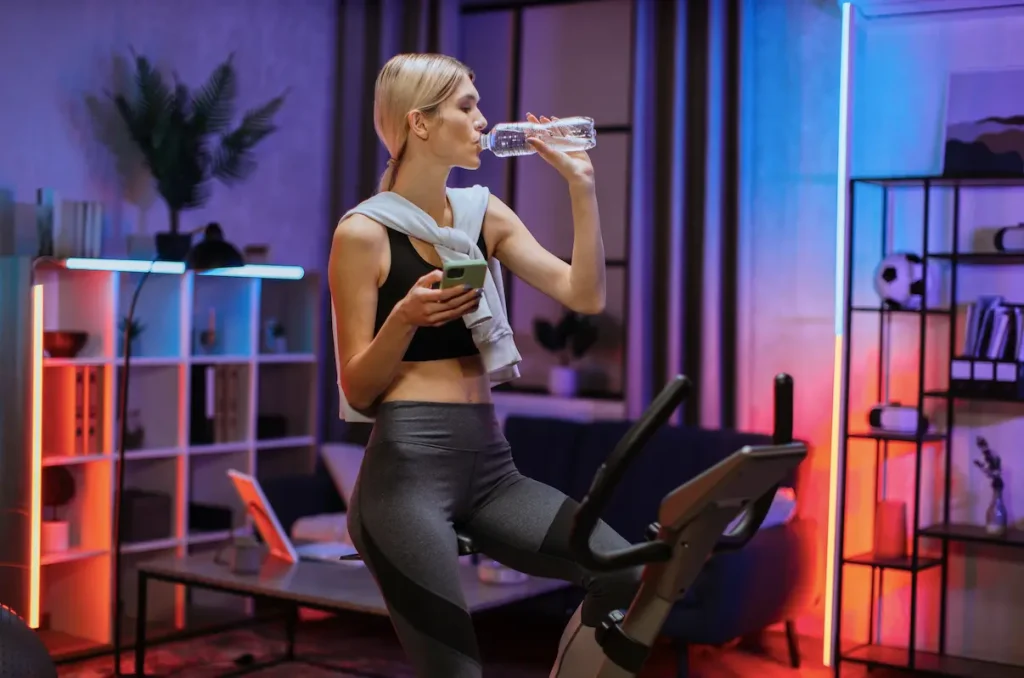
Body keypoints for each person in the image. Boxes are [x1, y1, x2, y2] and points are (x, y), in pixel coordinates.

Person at [328, 52, 641, 678]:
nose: (483, 120)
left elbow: (585, 295)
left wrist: (581, 186)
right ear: (420, 123)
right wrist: (405, 319)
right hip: (405, 474)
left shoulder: (482, 215)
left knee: (625, 570)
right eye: (467, 106)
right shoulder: (362, 234)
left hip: (491, 464)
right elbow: (358, 390)